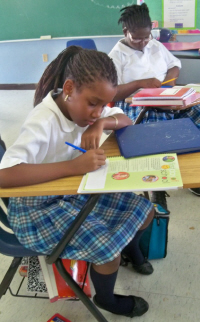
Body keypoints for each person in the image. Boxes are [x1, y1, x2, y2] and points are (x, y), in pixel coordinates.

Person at [0, 46, 155, 318]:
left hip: (74, 189)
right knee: (108, 253)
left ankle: (132, 250)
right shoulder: (43, 120)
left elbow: (126, 118)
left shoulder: (85, 111)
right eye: (93, 104)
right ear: (69, 88)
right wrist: (73, 166)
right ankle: (106, 298)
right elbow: (4, 175)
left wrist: (101, 123)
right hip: (37, 208)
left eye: (103, 105)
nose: (96, 112)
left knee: (146, 211)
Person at [109, 3, 200, 205]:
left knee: (196, 113)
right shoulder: (115, 56)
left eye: (146, 37)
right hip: (136, 104)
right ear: (126, 31)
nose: (143, 43)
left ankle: (194, 172)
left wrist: (170, 84)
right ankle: (158, 183)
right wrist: (140, 83)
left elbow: (174, 65)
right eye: (137, 38)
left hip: (166, 97)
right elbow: (112, 93)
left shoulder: (154, 44)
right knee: (157, 129)